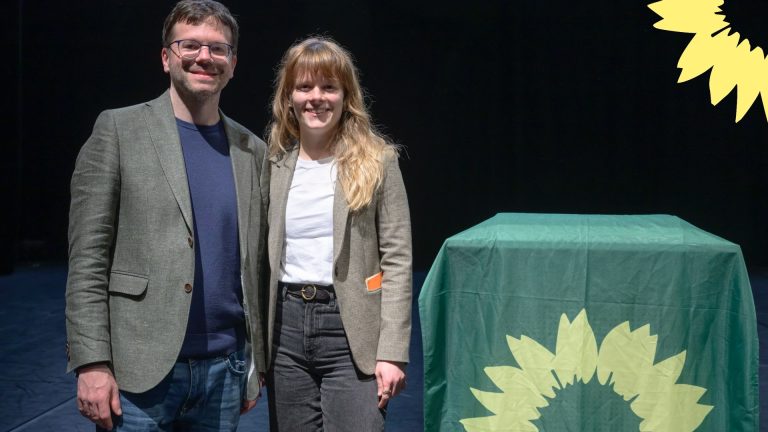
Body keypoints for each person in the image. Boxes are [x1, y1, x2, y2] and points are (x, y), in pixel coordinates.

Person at [65, 1, 268, 430]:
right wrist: (91, 362)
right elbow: (88, 260)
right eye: (189, 45)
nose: (204, 57)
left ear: (232, 63)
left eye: (218, 48)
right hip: (139, 373)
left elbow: (257, 268)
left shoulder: (252, 151)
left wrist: (255, 363)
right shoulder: (118, 130)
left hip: (225, 371)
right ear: (166, 57)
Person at [264, 36, 413, 431]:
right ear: (289, 96)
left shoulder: (378, 161)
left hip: (351, 330)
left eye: (329, 87)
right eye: (305, 87)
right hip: (286, 330)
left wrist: (393, 352)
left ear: (346, 95)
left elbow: (398, 260)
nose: (317, 97)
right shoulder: (273, 164)